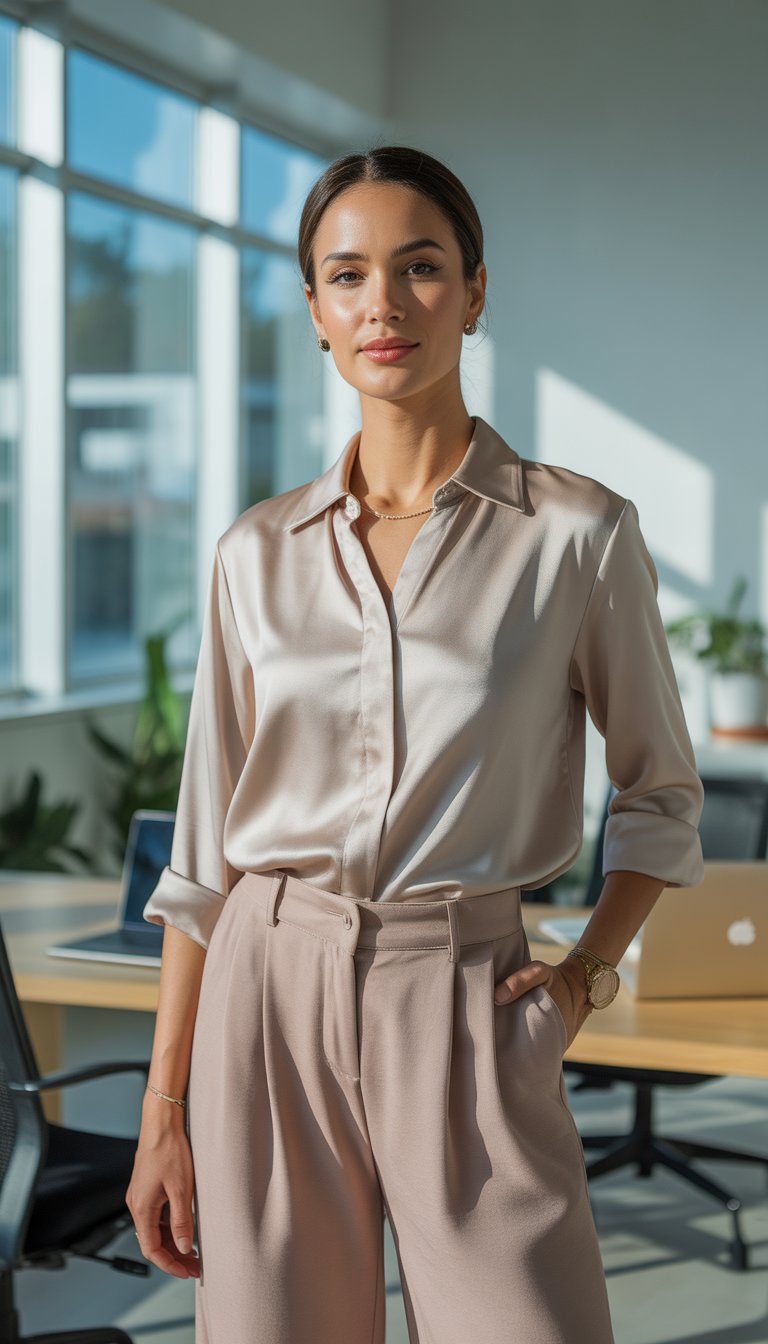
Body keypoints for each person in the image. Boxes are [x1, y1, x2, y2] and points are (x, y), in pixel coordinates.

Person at [126, 144, 705, 1344]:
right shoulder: (256, 553)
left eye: (421, 267)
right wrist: (165, 1108)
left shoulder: (577, 535)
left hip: (468, 991)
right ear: (318, 314)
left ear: (477, 292)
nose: (384, 303)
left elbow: (659, 793)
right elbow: (200, 864)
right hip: (266, 991)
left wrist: (585, 980)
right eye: (349, 276)